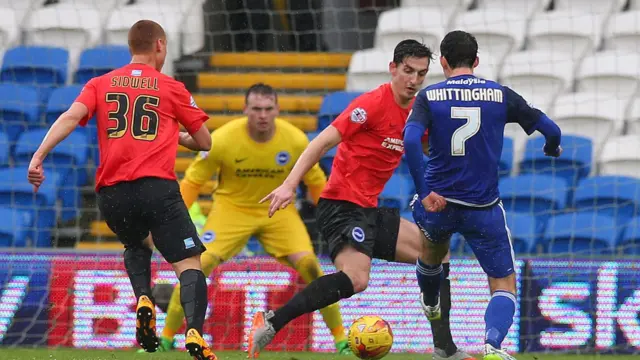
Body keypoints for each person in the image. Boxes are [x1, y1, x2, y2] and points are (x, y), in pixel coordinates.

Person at [247, 39, 475, 360]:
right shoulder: (372, 103)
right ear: (393, 69)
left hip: (368, 208)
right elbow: (323, 141)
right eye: (408, 71)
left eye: (421, 74)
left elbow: (432, 151)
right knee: (357, 279)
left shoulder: (417, 112)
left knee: (437, 253)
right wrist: (289, 184)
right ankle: (272, 321)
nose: (413, 80)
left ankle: (444, 348)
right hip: (340, 205)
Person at [26, 20, 218, 360]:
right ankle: (195, 333)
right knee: (189, 264)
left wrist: (38, 157)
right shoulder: (171, 87)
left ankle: (143, 296)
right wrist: (177, 134)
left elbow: (71, 116)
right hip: (156, 188)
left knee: (136, 243)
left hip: (112, 193)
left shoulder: (100, 83)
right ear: (160, 45)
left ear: (131, 47)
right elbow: (205, 141)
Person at [154, 83, 353, 354]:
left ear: (277, 110)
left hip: (278, 212)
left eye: (268, 109)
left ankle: (341, 340)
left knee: (310, 265)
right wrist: (170, 222)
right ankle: (165, 339)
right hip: (231, 209)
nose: (262, 115)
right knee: (198, 266)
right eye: (256, 109)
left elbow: (317, 184)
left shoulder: (294, 140)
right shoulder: (223, 139)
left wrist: (337, 221)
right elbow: (192, 182)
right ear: (246, 109)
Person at [403, 31, 562, 360]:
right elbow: (551, 129)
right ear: (476, 62)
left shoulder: (429, 96)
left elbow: (410, 141)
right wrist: (551, 146)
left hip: (438, 203)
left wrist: (424, 191)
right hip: (483, 207)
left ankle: (430, 297)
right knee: (503, 283)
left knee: (432, 252)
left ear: (443, 62)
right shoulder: (500, 94)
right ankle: (492, 344)